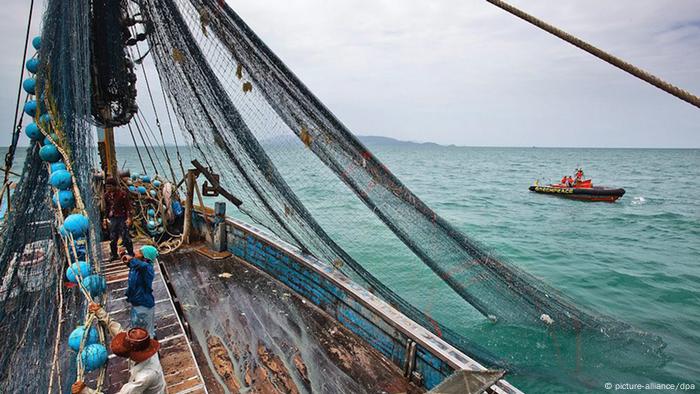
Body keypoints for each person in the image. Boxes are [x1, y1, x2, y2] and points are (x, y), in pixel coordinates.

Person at [71, 302, 166, 394]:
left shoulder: (144, 377)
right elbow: (119, 332)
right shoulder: (146, 348)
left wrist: (85, 391)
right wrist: (101, 313)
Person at [124, 245, 159, 338]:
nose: (136, 252)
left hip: (144, 303)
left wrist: (131, 259)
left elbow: (137, 264)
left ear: (146, 257)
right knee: (137, 326)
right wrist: (123, 255)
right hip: (136, 302)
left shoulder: (147, 268)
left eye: (140, 252)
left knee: (147, 332)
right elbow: (132, 264)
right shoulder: (138, 267)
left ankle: (151, 343)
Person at [104, 177, 134, 261]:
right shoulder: (106, 195)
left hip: (122, 217)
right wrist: (105, 219)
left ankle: (131, 253)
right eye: (107, 186)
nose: (108, 188)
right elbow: (107, 208)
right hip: (113, 218)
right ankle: (114, 254)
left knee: (125, 236)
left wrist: (129, 218)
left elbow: (128, 207)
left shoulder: (122, 194)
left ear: (115, 186)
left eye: (110, 186)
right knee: (113, 237)